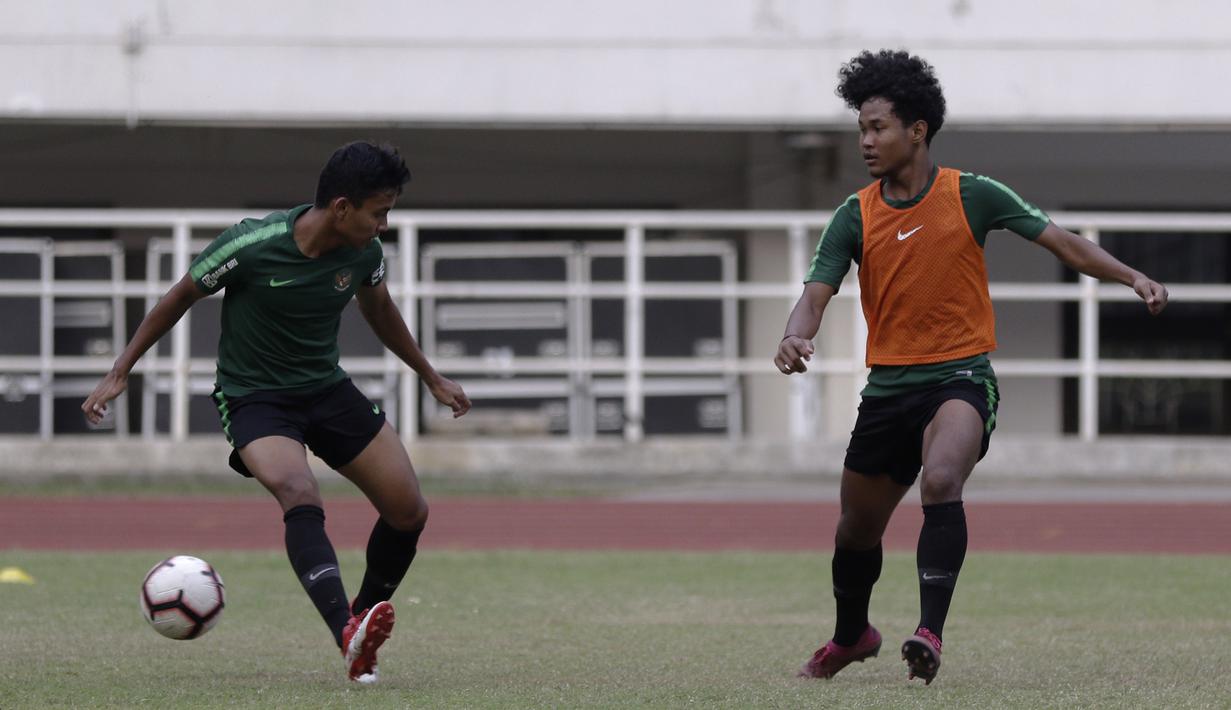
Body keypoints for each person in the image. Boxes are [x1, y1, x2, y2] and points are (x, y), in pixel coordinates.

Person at [776, 50, 1168, 685]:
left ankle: (929, 632)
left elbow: (1064, 243)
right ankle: (852, 637)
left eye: (877, 127)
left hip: (959, 377)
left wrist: (1132, 275)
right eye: (861, 129)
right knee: (855, 530)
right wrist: (795, 335)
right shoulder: (855, 214)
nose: (867, 141)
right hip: (888, 390)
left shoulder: (973, 194)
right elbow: (816, 292)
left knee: (942, 479)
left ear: (918, 131)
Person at [83, 141, 471, 683]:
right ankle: (346, 634)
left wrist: (429, 374)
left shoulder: (364, 253)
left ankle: (359, 619)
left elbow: (379, 309)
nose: (384, 225)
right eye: (379, 212)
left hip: (327, 390)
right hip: (255, 398)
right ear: (341, 208)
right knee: (298, 491)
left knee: (409, 511)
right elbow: (179, 296)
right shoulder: (252, 243)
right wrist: (120, 369)